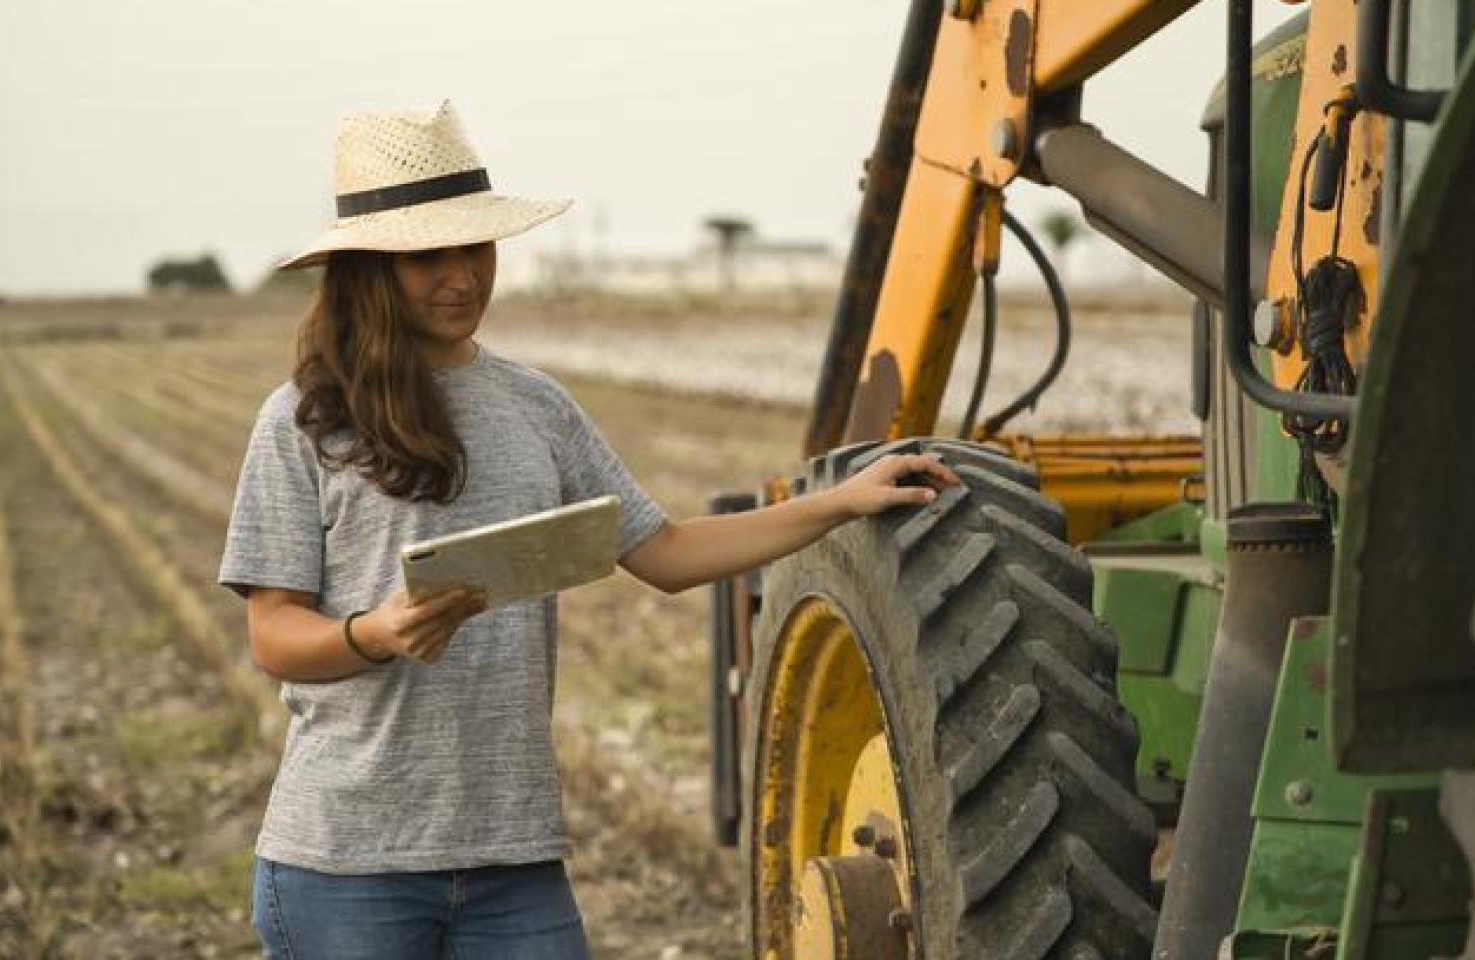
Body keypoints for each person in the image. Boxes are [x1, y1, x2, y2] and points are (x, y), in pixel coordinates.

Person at [217, 101, 958, 960]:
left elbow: (670, 554)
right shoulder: (304, 420)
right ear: (368, 269)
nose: (462, 275)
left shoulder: (537, 406)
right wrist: (374, 633)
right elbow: (273, 634)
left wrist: (839, 500)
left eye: (475, 247)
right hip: (346, 864)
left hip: (514, 857)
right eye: (428, 256)